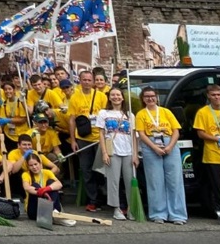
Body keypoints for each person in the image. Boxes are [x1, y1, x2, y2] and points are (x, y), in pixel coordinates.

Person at [135, 86, 187, 224]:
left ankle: (177, 215)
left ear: (156, 97)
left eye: (152, 96)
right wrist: (154, 147)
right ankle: (158, 214)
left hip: (170, 143)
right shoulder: (141, 114)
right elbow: (141, 134)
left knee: (175, 181)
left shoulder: (166, 111)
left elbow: (176, 130)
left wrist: (170, 146)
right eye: (147, 97)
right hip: (151, 145)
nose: (150, 98)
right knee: (155, 181)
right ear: (143, 99)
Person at [67, 70, 108, 212]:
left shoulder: (102, 96)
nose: (87, 82)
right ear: (80, 80)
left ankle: (104, 197)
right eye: (84, 79)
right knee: (86, 170)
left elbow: (106, 117)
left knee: (101, 170)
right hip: (83, 138)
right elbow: (71, 120)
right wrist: (73, 140)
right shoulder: (74, 97)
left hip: (99, 138)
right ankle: (93, 200)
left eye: (89, 80)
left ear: (93, 81)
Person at [192, 83, 220, 221]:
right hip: (213, 155)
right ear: (208, 96)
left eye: (219, 95)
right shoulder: (203, 112)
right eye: (213, 95)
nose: (216, 97)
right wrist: (217, 139)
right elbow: (201, 134)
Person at [96, 86, 136, 220]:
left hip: (128, 151)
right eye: (113, 95)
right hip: (112, 151)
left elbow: (134, 136)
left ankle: (131, 208)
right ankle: (116, 208)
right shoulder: (103, 113)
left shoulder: (130, 115)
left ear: (123, 97)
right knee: (113, 181)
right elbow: (101, 134)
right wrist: (104, 153)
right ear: (109, 97)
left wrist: (135, 154)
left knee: (130, 181)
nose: (116, 97)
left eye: (118, 95)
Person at [20, 153, 73, 224]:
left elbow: (59, 184)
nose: (34, 167)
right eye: (31, 165)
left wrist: (47, 189)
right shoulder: (26, 174)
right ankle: (51, 213)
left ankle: (52, 211)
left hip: (51, 206)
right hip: (34, 211)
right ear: (28, 166)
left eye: (36, 164)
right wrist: (41, 192)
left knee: (52, 182)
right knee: (35, 185)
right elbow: (26, 187)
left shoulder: (47, 172)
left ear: (40, 163)